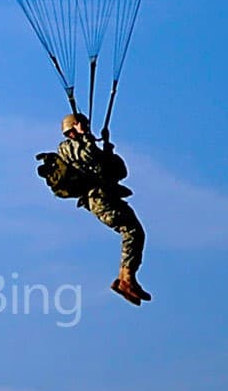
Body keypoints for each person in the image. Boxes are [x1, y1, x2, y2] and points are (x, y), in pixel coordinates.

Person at [38, 112, 149, 305]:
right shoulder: (67, 149)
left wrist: (107, 148)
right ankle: (126, 279)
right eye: (82, 127)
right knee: (132, 231)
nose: (87, 129)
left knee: (135, 232)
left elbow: (118, 171)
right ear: (72, 130)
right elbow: (88, 157)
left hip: (106, 195)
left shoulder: (86, 146)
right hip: (98, 199)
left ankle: (126, 278)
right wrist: (87, 138)